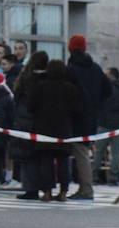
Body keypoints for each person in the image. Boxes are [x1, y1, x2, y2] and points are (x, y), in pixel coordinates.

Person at [28, 58, 81, 202]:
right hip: (64, 129)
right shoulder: (70, 88)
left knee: (45, 161)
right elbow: (77, 110)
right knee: (64, 161)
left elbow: (30, 107)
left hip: (43, 129)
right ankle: (63, 191)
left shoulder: (40, 87)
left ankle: (47, 191)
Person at [64, 34, 109, 200]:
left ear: (70, 48)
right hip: (92, 115)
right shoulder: (96, 68)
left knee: (80, 152)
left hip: (75, 116)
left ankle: (86, 189)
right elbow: (107, 90)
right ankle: (84, 187)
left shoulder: (71, 68)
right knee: (82, 150)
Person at [10, 50, 48, 200]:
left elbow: (17, 95)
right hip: (44, 121)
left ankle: (30, 188)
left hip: (24, 119)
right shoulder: (48, 77)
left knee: (27, 157)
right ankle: (45, 189)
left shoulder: (26, 77)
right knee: (43, 157)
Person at [93, 67, 119, 185]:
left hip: (103, 123)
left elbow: (96, 104)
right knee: (116, 152)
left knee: (99, 151)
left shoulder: (104, 90)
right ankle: (113, 177)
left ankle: (94, 175)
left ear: (111, 76)